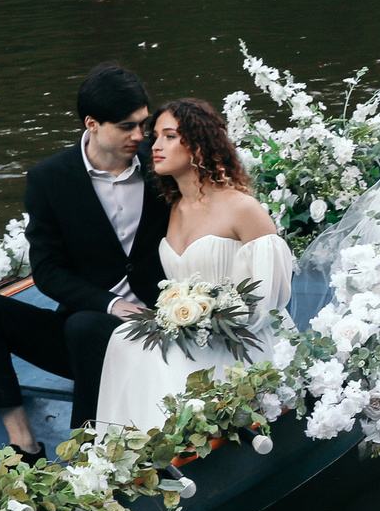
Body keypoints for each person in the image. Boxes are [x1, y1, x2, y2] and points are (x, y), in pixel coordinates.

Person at [0, 63, 171, 456]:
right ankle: (24, 445)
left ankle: (86, 455)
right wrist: (110, 304)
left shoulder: (162, 165)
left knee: (84, 326)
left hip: (160, 330)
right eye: (126, 127)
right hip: (85, 336)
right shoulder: (49, 179)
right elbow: (49, 271)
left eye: (144, 123)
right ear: (92, 124)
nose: (140, 136)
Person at [93, 99, 293, 432]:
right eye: (155, 136)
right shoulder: (173, 208)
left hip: (243, 339)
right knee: (126, 340)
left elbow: (270, 300)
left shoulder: (242, 208)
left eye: (169, 136)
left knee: (161, 357)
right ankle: (128, 450)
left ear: (198, 144)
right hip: (192, 334)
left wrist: (207, 320)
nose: (155, 145)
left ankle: (174, 445)